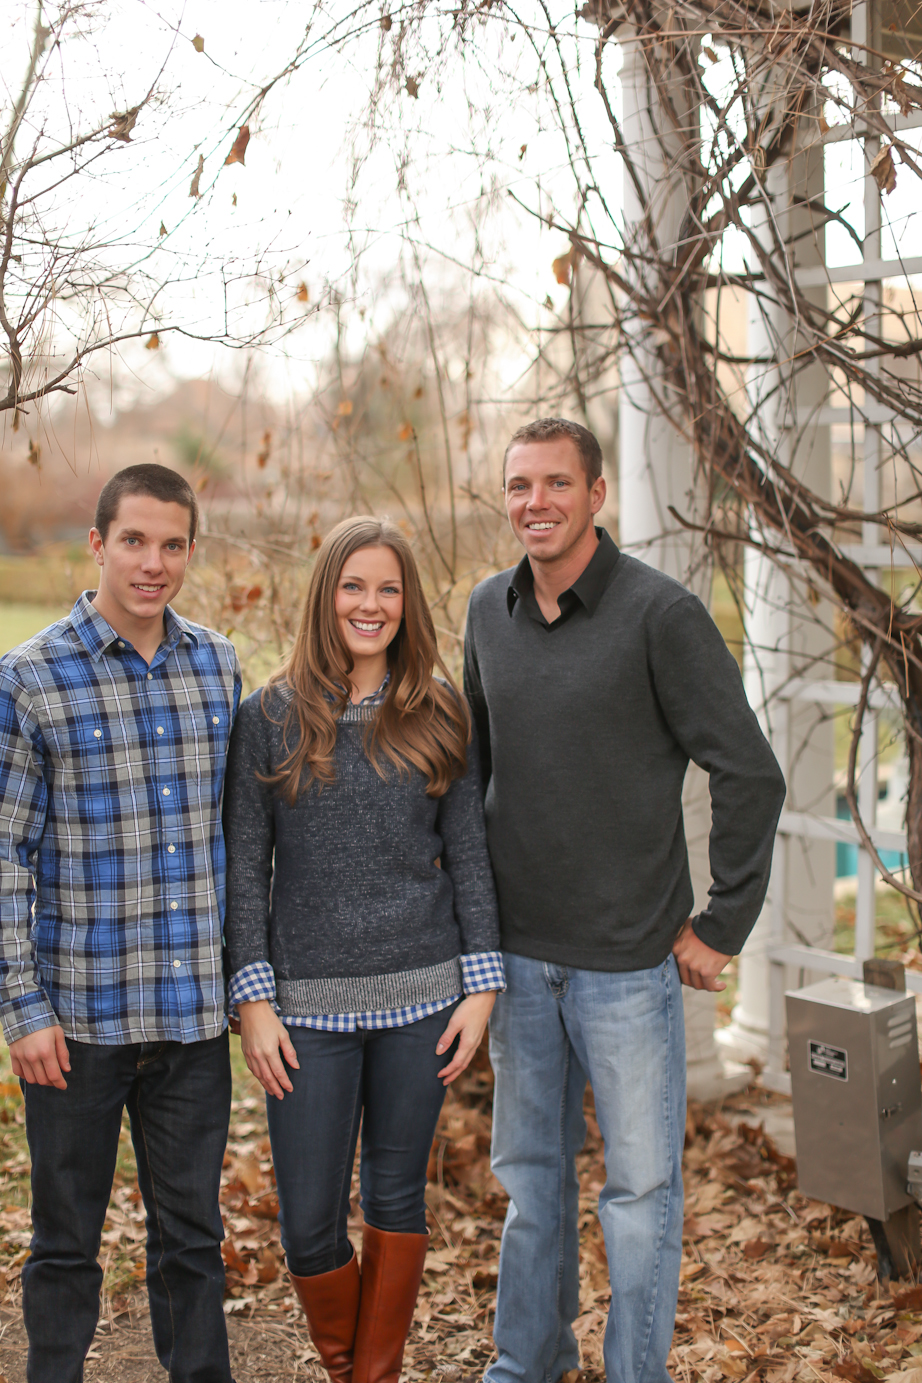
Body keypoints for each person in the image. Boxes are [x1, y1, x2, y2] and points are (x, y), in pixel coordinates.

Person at [463, 418, 786, 1383]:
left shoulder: (661, 615)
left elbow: (750, 771)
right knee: (530, 1185)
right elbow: (476, 773)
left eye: (556, 483)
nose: (535, 503)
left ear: (596, 494)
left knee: (640, 1196)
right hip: (521, 960)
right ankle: (527, 1360)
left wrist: (722, 923)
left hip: (628, 969)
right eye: (519, 485)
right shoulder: (487, 610)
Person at [223, 515, 503, 1383]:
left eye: (388, 588)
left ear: (406, 603)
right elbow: (244, 868)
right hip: (305, 1010)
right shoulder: (267, 717)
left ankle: (368, 1377)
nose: (370, 604)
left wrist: (481, 985)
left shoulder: (440, 711)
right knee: (309, 1224)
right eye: (353, 586)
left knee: (394, 1199)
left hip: (424, 999)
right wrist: (253, 999)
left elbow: (469, 854)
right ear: (326, 596)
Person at [0, 464, 241, 1383]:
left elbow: (237, 835)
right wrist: (22, 1007)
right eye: (134, 540)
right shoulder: (30, 677)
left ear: (190, 550)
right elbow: (5, 852)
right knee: (66, 1243)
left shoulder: (217, 664)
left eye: (173, 544)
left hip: (189, 1019)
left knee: (193, 1241)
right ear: (98, 543)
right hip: (79, 1023)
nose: (153, 563)